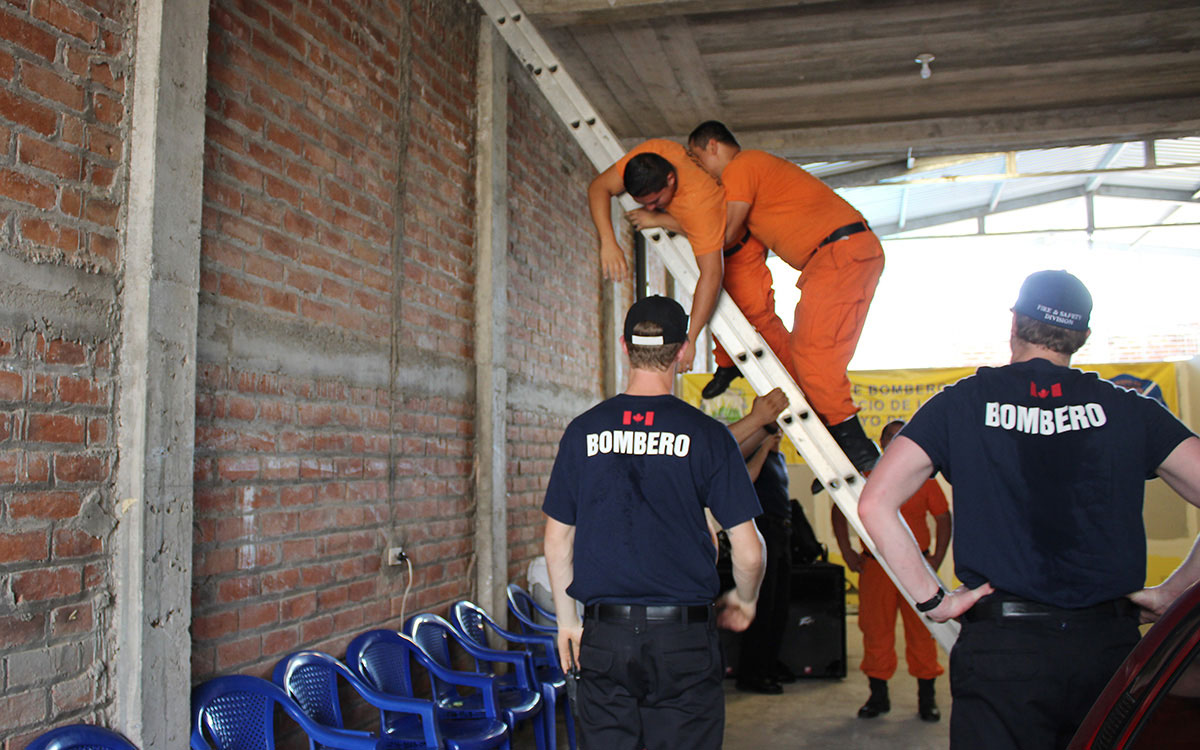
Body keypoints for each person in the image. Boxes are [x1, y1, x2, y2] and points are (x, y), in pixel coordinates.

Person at [858, 270, 1200, 750]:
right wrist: (1175, 593)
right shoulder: (1131, 409)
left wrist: (937, 601)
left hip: (1004, 650)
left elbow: (874, 503)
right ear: (1081, 337)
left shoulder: (960, 404)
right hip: (1107, 649)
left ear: (1014, 322)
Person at [543, 295, 776, 750]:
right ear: (684, 351)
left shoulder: (583, 431)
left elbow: (557, 542)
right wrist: (745, 601)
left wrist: (567, 623)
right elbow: (749, 551)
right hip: (683, 641)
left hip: (605, 637)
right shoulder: (708, 436)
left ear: (625, 349)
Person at [683, 121, 885, 473]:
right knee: (804, 356)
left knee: (813, 355)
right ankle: (843, 445)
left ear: (712, 146)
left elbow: (726, 231)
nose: (701, 169)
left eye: (698, 158)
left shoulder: (743, 166)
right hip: (833, 258)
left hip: (840, 254)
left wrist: (678, 223)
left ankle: (856, 449)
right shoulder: (752, 174)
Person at [589, 140, 761, 372]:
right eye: (644, 204)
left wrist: (689, 338)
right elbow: (598, 187)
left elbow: (711, 276)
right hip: (708, 230)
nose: (649, 208)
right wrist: (608, 242)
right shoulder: (653, 153)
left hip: (741, 248)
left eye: (656, 201)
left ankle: (730, 369)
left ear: (670, 179)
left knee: (755, 320)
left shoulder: (700, 205)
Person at [832, 419, 951, 721]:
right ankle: (878, 697)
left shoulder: (925, 475)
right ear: (881, 443)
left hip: (918, 567)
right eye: (890, 438)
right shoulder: (866, 476)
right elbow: (838, 510)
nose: (895, 442)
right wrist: (847, 551)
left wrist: (937, 556)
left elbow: (942, 517)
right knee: (875, 630)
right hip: (877, 567)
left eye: (901, 437)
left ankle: (927, 699)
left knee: (924, 631)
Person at [731, 423, 796, 695]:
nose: (778, 434)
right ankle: (752, 672)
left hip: (783, 532)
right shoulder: (755, 454)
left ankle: (770, 663)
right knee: (763, 604)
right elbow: (746, 482)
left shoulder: (779, 459)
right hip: (763, 529)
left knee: (780, 604)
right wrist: (764, 448)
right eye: (773, 430)